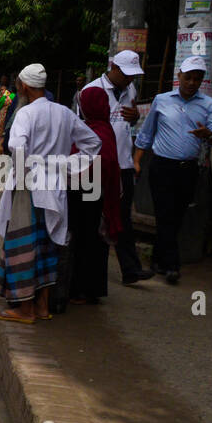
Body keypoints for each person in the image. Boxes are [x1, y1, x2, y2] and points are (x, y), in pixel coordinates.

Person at [0, 63, 101, 323]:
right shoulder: (64, 112)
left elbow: (16, 146)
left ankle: (25, 308)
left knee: (23, 243)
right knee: (48, 244)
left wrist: (21, 176)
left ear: (25, 87)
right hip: (55, 187)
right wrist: (67, 167)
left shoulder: (26, 114)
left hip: (30, 185)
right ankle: (42, 306)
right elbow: (93, 143)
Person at [132, 55, 212, 285]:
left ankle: (158, 260)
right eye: (188, 77)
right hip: (162, 166)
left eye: (197, 79)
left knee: (176, 216)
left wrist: (208, 135)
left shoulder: (209, 105)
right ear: (179, 75)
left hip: (188, 169)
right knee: (164, 213)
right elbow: (146, 133)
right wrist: (137, 160)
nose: (192, 82)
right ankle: (172, 266)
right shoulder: (161, 100)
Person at [82, 50, 149, 283]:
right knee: (97, 219)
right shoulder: (91, 91)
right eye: (126, 74)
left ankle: (130, 269)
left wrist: (134, 117)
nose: (130, 79)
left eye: (133, 75)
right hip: (99, 165)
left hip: (123, 163)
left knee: (122, 218)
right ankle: (92, 273)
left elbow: (128, 123)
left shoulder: (130, 89)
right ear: (113, 67)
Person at [68, 86, 123, 304]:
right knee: (93, 242)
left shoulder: (94, 131)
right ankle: (91, 289)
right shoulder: (103, 128)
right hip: (95, 192)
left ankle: (83, 290)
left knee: (84, 241)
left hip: (88, 193)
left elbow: (101, 161)